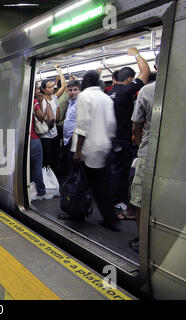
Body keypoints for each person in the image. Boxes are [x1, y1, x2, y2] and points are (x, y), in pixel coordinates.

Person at [71, 71, 119, 230]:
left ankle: (78, 213)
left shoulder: (84, 96)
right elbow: (112, 124)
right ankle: (107, 217)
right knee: (97, 183)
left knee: (89, 183)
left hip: (88, 148)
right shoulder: (105, 97)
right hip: (104, 145)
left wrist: (78, 151)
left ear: (85, 82)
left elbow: (82, 126)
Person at [123, 54, 159, 252]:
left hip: (148, 153)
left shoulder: (147, 91)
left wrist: (138, 146)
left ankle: (143, 242)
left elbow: (136, 126)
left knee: (140, 201)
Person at [107, 47, 150, 212]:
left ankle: (110, 199)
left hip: (109, 139)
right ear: (130, 79)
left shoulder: (108, 93)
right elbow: (145, 72)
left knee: (112, 170)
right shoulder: (126, 91)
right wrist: (137, 55)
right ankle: (116, 201)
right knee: (120, 172)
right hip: (122, 140)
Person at [39, 64, 66, 177]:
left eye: (52, 86)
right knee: (48, 158)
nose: (52, 88)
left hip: (54, 133)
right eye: (49, 87)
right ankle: (47, 178)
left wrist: (60, 71)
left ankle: (54, 177)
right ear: (44, 90)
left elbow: (63, 86)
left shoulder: (54, 98)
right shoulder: (41, 100)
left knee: (55, 156)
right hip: (45, 135)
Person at [30, 87, 53, 201]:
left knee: (28, 166)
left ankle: (29, 187)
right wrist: (40, 104)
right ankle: (41, 191)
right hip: (33, 138)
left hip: (23, 140)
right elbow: (41, 117)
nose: (39, 92)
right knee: (37, 166)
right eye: (37, 89)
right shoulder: (33, 102)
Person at [61, 80, 81, 176]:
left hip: (75, 139)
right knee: (70, 165)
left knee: (75, 166)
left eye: (75, 90)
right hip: (68, 139)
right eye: (70, 90)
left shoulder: (80, 103)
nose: (72, 92)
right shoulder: (71, 103)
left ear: (80, 91)